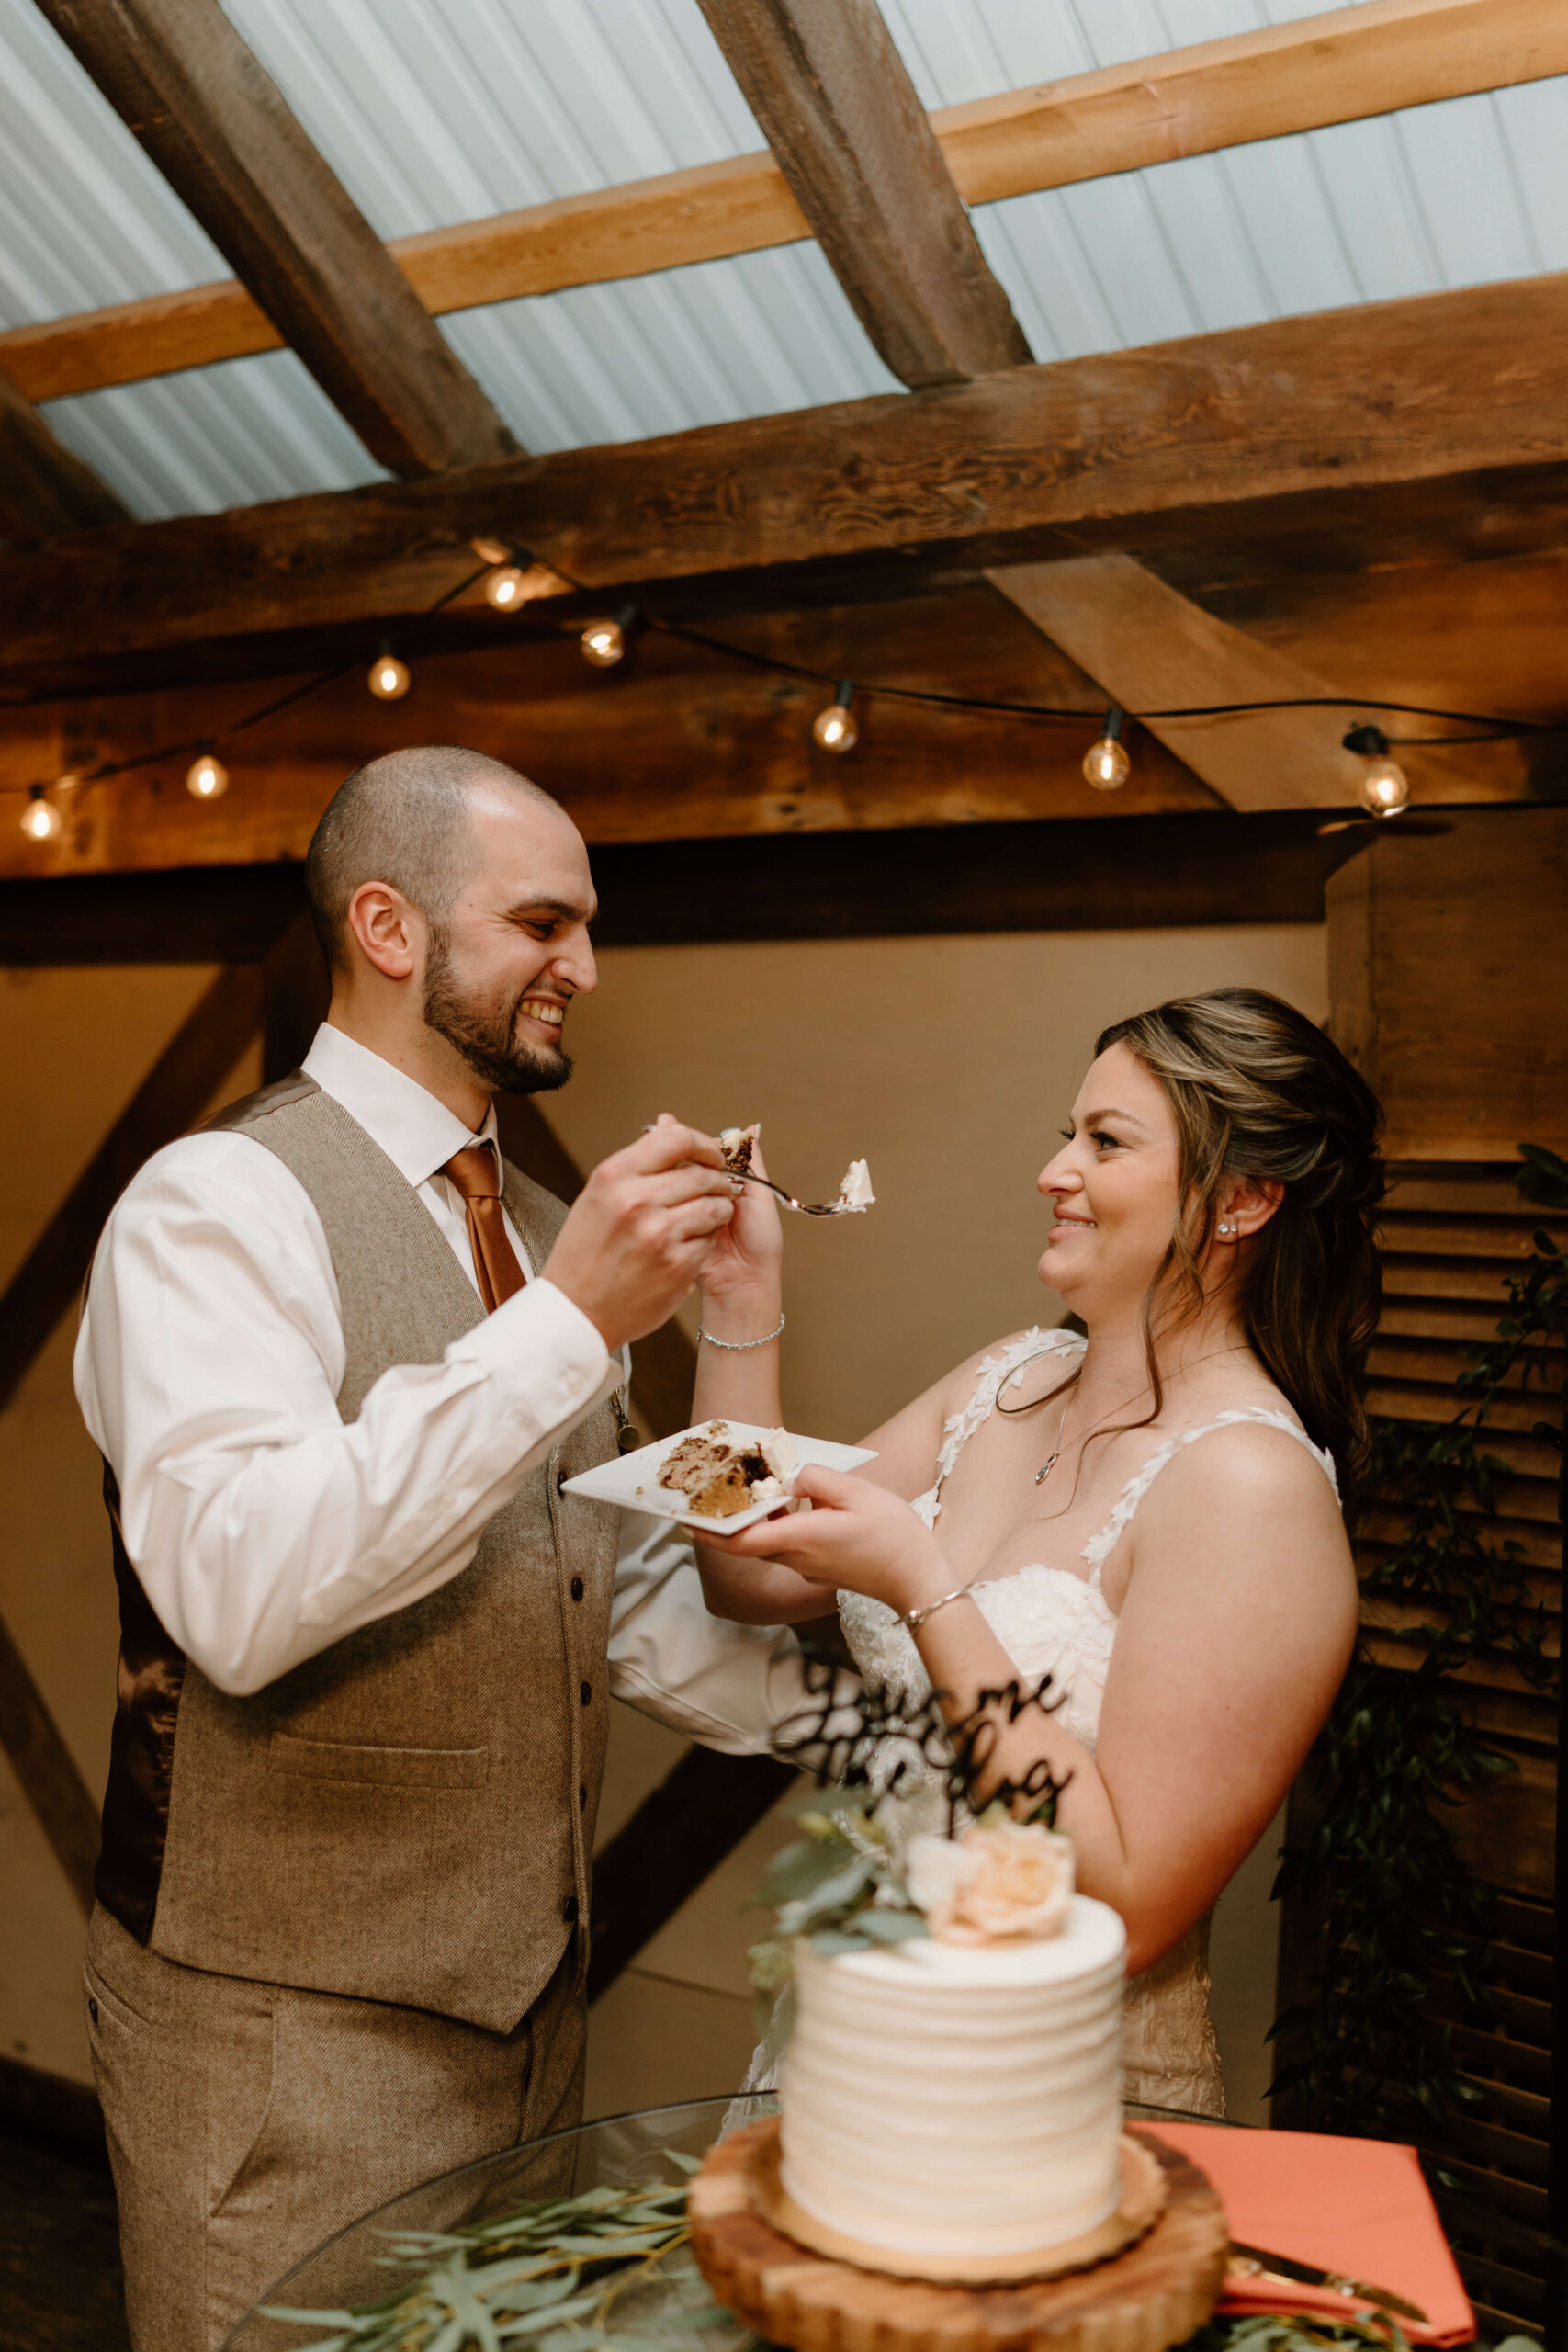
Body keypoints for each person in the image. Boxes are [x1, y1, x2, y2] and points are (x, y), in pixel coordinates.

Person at [74, 746, 813, 2352]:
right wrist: (567, 1326)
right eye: (544, 923)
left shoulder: (551, 1241)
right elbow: (243, 1594)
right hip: (285, 2052)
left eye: (589, 927)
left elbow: (626, 1606)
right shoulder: (214, 1207)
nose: (588, 970)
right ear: (391, 927)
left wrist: (744, 1329)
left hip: (531, 2042)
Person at [692, 988, 1382, 2115]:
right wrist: (737, 1295)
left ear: (1244, 1201)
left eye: (1105, 1142)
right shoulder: (1004, 1378)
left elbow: (1123, 1910)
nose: (1055, 1171)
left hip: (1045, 2096)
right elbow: (749, 1566)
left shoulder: (1250, 1488)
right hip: (843, 2047)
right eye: (1068, 1134)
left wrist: (924, 1584)